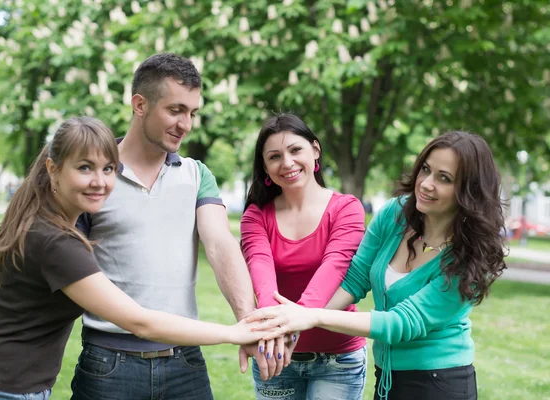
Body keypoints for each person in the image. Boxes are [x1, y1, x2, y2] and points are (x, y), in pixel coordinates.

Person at [0, 117, 267, 400]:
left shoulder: (48, 222)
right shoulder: (56, 242)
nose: (99, 182)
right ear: (53, 169)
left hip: (7, 380)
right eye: (84, 168)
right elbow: (139, 321)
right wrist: (233, 332)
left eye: (108, 169)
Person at [70, 53, 284, 400]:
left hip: (185, 364)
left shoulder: (197, 174)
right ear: (139, 104)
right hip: (109, 364)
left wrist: (249, 322)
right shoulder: (95, 178)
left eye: (192, 113)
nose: (186, 124)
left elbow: (219, 244)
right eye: (175, 110)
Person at [248, 131, 507, 400]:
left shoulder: (471, 257)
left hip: (441, 381)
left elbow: (402, 322)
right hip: (387, 376)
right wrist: (294, 325)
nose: (427, 184)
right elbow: (355, 279)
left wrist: (312, 316)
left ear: (468, 191)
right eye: (426, 170)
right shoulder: (396, 214)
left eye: (444, 178)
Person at [241, 113, 368, 400]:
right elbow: (263, 278)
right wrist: (280, 333)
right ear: (264, 166)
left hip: (338, 359)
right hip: (276, 356)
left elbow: (334, 267)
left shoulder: (346, 208)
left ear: (315, 150)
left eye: (295, 150)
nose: (287, 163)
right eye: (274, 156)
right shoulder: (256, 216)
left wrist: (288, 327)